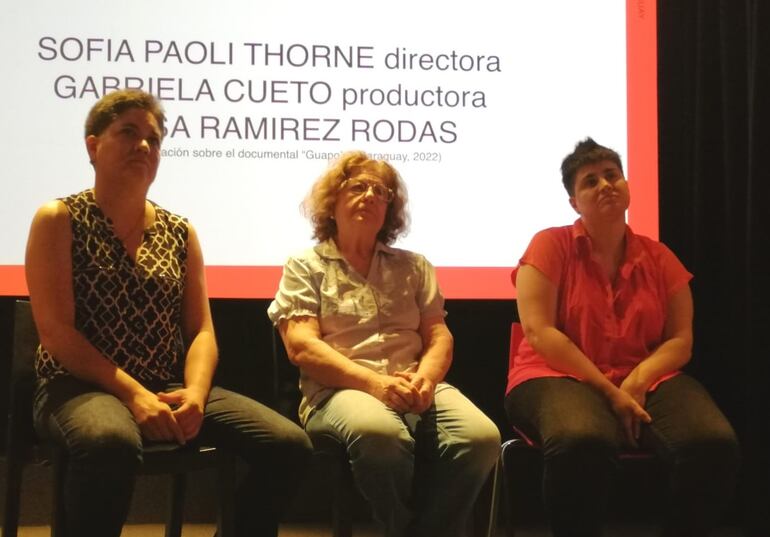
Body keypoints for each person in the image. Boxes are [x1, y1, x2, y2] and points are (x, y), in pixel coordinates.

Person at [25, 88, 312, 537]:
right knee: (109, 442)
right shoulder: (59, 217)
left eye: (154, 140)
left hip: (166, 384)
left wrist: (196, 394)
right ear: (93, 146)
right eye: (129, 133)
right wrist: (134, 395)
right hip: (76, 386)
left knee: (288, 445)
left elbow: (201, 331)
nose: (145, 146)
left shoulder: (180, 231)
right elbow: (57, 333)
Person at [504, 138, 740, 536]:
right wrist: (611, 392)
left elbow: (681, 340)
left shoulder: (660, 257)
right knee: (582, 439)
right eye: (590, 181)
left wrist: (638, 380)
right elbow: (539, 333)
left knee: (712, 444)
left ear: (628, 186)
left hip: (643, 376)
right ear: (574, 203)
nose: (605, 185)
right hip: (556, 374)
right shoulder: (550, 244)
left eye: (612, 175)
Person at [268, 150, 500, 537]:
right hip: (337, 391)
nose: (372, 196)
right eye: (358, 186)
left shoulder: (414, 266)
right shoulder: (305, 265)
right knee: (381, 435)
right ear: (332, 202)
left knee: (481, 437)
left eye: (382, 191)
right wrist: (374, 384)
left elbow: (438, 334)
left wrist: (426, 379)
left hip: (413, 382)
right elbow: (302, 347)